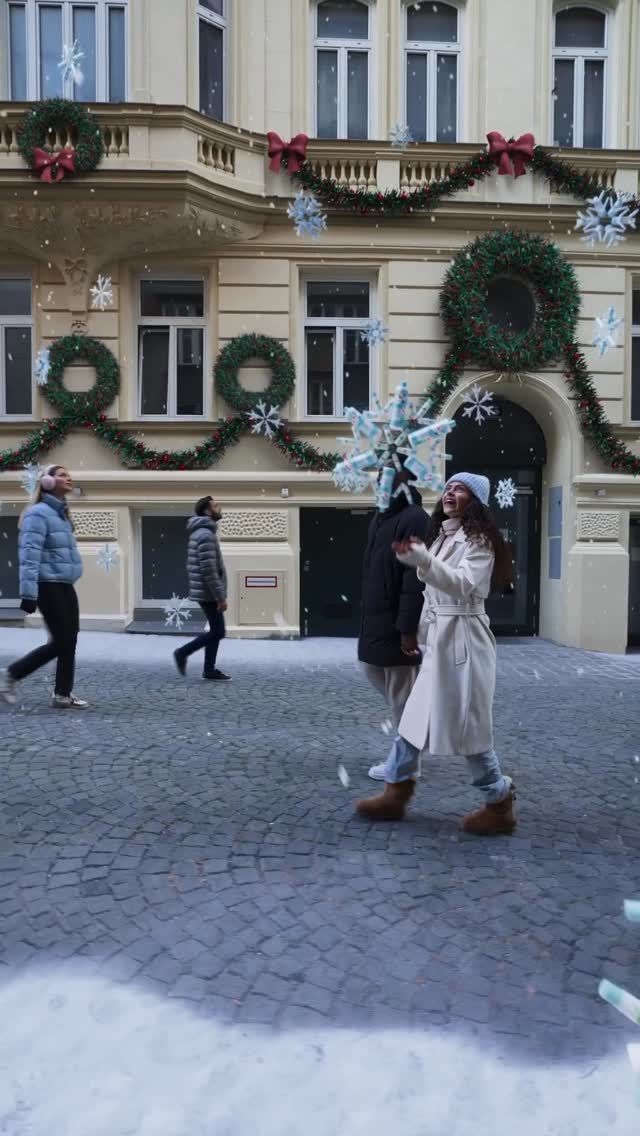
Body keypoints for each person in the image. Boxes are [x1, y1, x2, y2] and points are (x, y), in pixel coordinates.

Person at [356, 472, 516, 836]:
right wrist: (417, 632)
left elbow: (460, 585)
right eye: (447, 487)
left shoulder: (480, 541)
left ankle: (500, 801)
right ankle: (395, 794)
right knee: (412, 719)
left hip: (465, 643)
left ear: (474, 500)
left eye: (459, 489)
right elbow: (432, 595)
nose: (449, 492)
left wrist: (422, 560)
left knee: (470, 731)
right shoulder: (444, 535)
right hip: (441, 642)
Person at [358, 463, 430, 779]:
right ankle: (416, 733)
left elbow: (415, 580)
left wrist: (407, 629)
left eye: (387, 478)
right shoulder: (381, 517)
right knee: (372, 669)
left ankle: (405, 764)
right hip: (376, 616)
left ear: (403, 480)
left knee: (402, 696)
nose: (380, 484)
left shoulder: (414, 518)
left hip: (396, 620)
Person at [0, 465, 87, 709]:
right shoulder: (37, 514)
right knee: (61, 641)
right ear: (47, 482)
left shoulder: (61, 514)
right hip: (47, 584)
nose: (69, 477)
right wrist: (28, 593)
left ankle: (62, 694)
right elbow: (29, 555)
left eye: (69, 474)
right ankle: (10, 675)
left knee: (70, 639)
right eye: (61, 474)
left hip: (64, 584)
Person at [173, 495, 230, 682]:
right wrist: (220, 597)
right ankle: (182, 653)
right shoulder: (205, 534)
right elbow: (208, 570)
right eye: (216, 506)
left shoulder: (204, 532)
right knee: (218, 631)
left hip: (205, 590)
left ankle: (209, 669)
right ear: (207, 511)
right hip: (208, 592)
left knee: (216, 629)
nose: (219, 508)